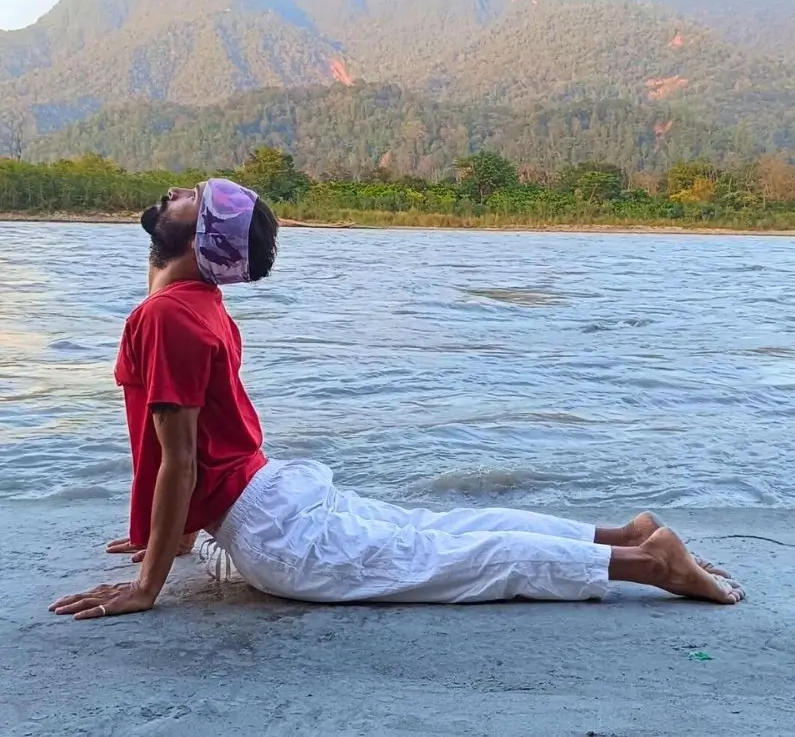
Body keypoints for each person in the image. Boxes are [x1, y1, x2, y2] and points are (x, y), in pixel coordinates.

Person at [49, 178, 744, 622]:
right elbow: (201, 444)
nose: (173, 191)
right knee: (440, 533)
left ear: (201, 242)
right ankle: (619, 535)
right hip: (270, 497)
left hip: (275, 529)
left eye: (190, 199)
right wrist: (161, 534)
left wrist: (148, 583)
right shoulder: (199, 306)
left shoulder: (167, 315)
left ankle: (650, 563)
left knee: (450, 558)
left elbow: (181, 464)